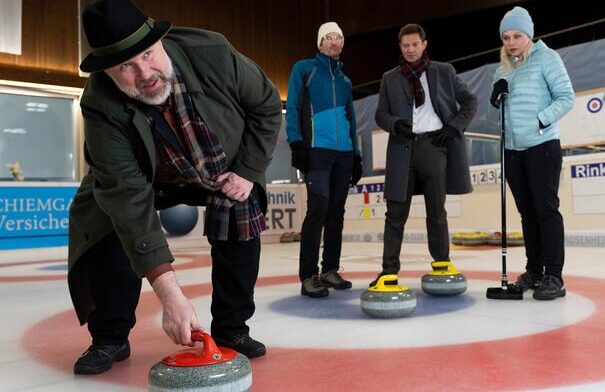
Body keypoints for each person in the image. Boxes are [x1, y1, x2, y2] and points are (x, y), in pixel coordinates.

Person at [69, 0, 281, 375]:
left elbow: (265, 104)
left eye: (148, 54)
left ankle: (232, 330)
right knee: (107, 220)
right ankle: (110, 336)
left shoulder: (212, 52)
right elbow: (127, 198)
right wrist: (171, 295)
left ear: (161, 42)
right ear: (108, 73)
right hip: (148, 177)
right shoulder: (100, 104)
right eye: (126, 67)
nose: (144, 73)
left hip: (218, 166)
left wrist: (248, 170)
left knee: (240, 207)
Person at [373, 23, 477, 284]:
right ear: (400, 47)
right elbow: (380, 114)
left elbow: (470, 101)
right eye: (405, 45)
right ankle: (388, 271)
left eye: (415, 45)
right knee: (395, 212)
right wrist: (395, 124)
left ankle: (441, 262)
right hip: (402, 148)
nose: (410, 50)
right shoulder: (390, 78)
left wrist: (453, 127)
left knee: (436, 210)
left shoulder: (444, 71)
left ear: (424, 44)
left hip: (434, 146)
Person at [490, 6, 574, 300]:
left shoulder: (547, 58)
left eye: (517, 35)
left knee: (545, 210)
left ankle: (553, 275)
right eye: (506, 37)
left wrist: (539, 120)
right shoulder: (503, 67)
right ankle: (534, 270)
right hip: (513, 151)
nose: (511, 42)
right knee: (527, 214)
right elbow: (502, 105)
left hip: (542, 147)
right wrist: (496, 96)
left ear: (529, 35)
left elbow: (566, 97)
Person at [285, 22, 362, 298]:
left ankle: (330, 269)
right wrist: (296, 143)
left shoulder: (344, 80)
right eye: (328, 37)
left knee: (336, 212)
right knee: (318, 210)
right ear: (319, 43)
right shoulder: (304, 69)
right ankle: (308, 275)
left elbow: (352, 119)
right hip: (317, 151)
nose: (334, 41)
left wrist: (357, 155)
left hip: (343, 154)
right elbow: (292, 107)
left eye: (339, 37)